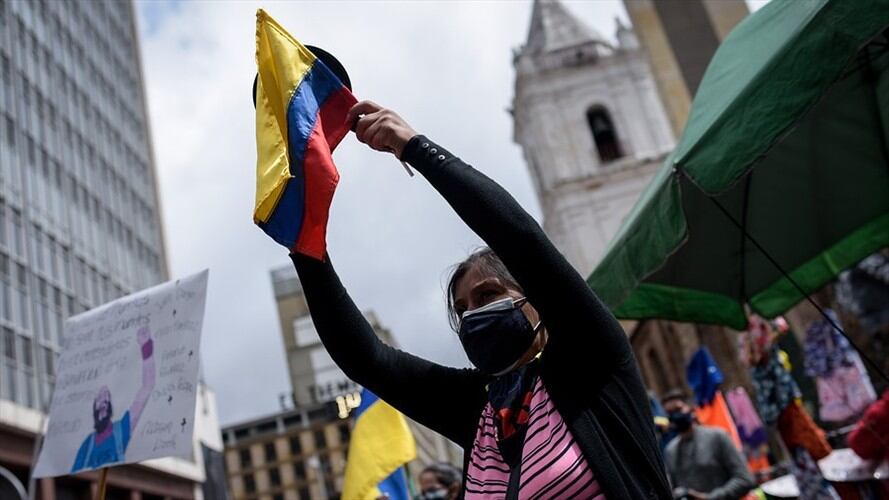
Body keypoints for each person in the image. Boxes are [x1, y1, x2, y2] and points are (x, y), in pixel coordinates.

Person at [289, 100, 672, 499]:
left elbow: (518, 238)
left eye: (488, 294)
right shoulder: (481, 411)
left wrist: (415, 148)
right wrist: (306, 243)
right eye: (461, 309)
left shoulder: (591, 364)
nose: (473, 314)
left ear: (534, 299)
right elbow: (366, 359)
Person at [71, 326, 156, 472]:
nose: (103, 401)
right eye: (99, 399)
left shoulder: (122, 429)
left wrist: (146, 347)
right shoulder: (86, 445)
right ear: (94, 409)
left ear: (110, 407)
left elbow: (147, 387)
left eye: (106, 398)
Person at [661, 389, 755, 500]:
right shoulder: (671, 451)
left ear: (691, 409)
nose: (675, 415)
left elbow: (745, 479)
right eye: (670, 413)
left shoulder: (717, 436)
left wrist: (710, 498)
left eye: (678, 409)